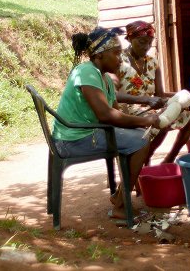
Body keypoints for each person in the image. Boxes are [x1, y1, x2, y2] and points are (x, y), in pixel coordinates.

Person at [53, 26, 159, 220]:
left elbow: (116, 112)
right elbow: (106, 115)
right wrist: (146, 120)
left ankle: (120, 196)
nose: (120, 58)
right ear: (100, 55)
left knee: (139, 135)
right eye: (116, 54)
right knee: (142, 141)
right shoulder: (86, 72)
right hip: (73, 140)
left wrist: (139, 123)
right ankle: (120, 203)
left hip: (88, 133)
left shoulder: (105, 79)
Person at [112, 21, 190, 165]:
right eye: (142, 42)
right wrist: (146, 101)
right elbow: (113, 95)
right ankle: (143, 160)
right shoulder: (118, 61)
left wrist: (178, 99)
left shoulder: (153, 63)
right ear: (130, 39)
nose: (146, 47)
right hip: (128, 111)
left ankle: (169, 159)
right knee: (160, 124)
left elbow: (160, 94)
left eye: (149, 42)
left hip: (151, 108)